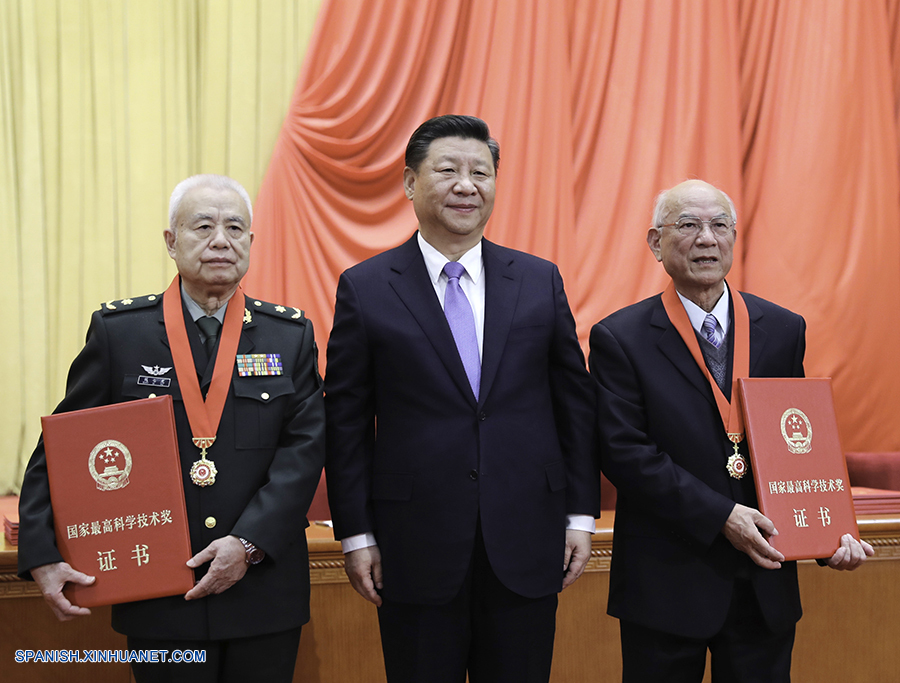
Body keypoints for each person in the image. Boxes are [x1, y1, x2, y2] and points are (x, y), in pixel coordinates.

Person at [324, 114, 599, 683]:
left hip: (526, 536)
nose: (466, 185)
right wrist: (355, 534)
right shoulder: (367, 287)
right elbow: (345, 422)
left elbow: (575, 404)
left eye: (481, 172)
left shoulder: (538, 279)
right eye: (447, 170)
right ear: (408, 183)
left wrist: (579, 514)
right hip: (412, 544)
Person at [18, 174, 325, 683]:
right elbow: (64, 445)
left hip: (262, 589)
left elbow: (304, 449)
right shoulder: (122, 332)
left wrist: (247, 543)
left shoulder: (288, 335)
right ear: (170, 241)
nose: (221, 240)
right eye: (202, 226)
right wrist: (41, 552)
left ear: (251, 242)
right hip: (160, 591)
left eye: (235, 228)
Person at [589, 178, 873, 682]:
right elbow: (624, 452)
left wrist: (830, 535)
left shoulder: (783, 329)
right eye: (688, 225)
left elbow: (797, 442)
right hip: (668, 583)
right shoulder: (620, 337)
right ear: (656, 243)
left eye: (720, 225)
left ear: (734, 239)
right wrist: (722, 515)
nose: (706, 238)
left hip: (764, 582)